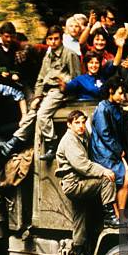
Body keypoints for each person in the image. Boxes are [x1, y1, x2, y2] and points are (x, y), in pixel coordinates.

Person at [55, 110, 125, 255]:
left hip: (80, 181)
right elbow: (82, 165)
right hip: (74, 183)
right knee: (106, 181)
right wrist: (104, 171)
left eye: (82, 122)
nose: (80, 126)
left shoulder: (81, 135)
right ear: (69, 124)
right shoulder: (69, 141)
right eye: (76, 123)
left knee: (79, 219)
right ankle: (110, 216)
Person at [32, 25, 82, 161]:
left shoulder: (69, 54)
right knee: (30, 116)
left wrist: (66, 86)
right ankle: (15, 142)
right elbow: (40, 78)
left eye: (56, 39)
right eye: (50, 39)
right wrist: (37, 96)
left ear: (61, 39)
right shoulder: (47, 56)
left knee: (42, 115)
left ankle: (52, 144)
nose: (53, 42)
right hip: (46, 91)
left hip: (60, 91)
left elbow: (77, 78)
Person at [90, 77, 128, 214]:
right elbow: (105, 134)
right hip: (103, 153)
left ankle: (121, 214)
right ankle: (117, 216)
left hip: (112, 151)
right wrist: (119, 151)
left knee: (126, 179)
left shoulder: (115, 107)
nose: (122, 96)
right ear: (110, 91)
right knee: (115, 179)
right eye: (120, 93)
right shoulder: (102, 108)